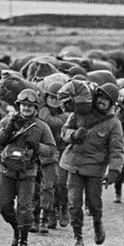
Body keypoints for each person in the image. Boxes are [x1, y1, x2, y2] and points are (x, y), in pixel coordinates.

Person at [0, 89, 56, 246]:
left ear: (35, 108)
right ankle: (16, 229)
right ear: (19, 106)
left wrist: (36, 145)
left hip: (28, 172)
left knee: (25, 209)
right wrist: (7, 129)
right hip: (7, 170)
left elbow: (51, 150)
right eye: (23, 105)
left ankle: (23, 240)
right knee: (3, 206)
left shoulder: (41, 126)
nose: (26, 109)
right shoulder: (7, 120)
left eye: (30, 106)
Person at [60, 83, 124, 246]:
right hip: (74, 164)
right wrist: (73, 134)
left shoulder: (113, 123)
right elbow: (64, 131)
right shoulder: (80, 113)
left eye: (107, 99)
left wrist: (114, 171)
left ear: (112, 103)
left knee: (94, 203)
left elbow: (117, 149)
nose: (102, 101)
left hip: (95, 169)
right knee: (74, 203)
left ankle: (98, 225)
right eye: (100, 97)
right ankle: (78, 238)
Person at [35, 78, 71, 230]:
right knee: (44, 185)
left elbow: (55, 123)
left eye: (57, 98)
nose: (54, 101)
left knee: (61, 184)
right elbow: (48, 122)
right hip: (45, 152)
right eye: (51, 97)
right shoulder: (43, 111)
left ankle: (62, 208)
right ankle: (47, 213)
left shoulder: (66, 113)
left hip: (62, 151)